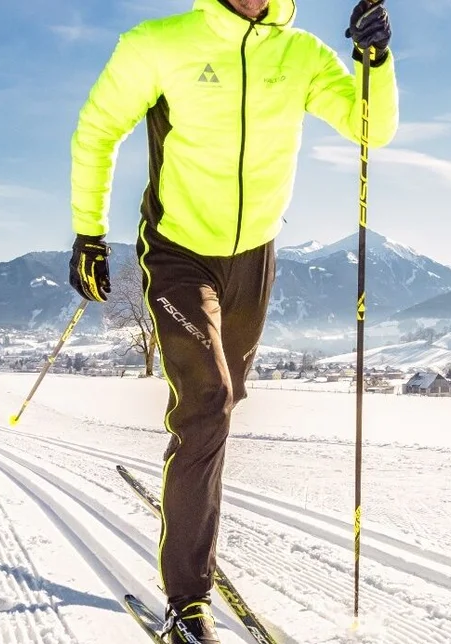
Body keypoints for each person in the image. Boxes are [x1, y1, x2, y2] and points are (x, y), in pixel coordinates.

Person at [64, 0, 396, 641]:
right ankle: (189, 596)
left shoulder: (300, 55)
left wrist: (375, 61)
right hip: (178, 250)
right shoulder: (160, 43)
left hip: (254, 258)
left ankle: (188, 500)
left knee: (225, 401)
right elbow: (97, 128)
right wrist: (89, 233)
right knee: (208, 400)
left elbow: (369, 127)